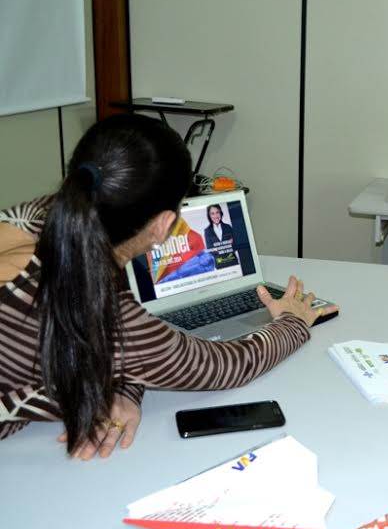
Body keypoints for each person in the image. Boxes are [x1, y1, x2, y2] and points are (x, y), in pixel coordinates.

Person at [0, 114, 337, 459]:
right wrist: (294, 321)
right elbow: (231, 365)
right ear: (163, 225)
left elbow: (116, 354)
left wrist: (123, 383)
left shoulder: (32, 215)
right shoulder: (111, 321)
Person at [203, 203, 238, 268]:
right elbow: (210, 250)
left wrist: (218, 247)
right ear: (209, 216)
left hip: (233, 262)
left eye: (217, 212)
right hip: (220, 264)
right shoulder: (207, 231)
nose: (216, 216)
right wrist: (227, 244)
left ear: (220, 213)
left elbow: (235, 246)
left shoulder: (228, 227)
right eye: (212, 213)